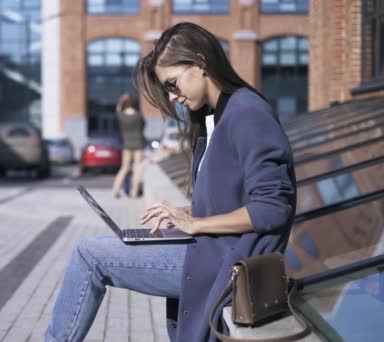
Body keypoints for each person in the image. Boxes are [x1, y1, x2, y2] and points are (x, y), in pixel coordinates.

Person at [45, 22, 296, 342]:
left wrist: (196, 225)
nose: (173, 96)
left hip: (223, 261)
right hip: (207, 249)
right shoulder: (217, 117)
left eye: (173, 84)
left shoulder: (247, 112)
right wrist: (184, 212)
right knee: (93, 250)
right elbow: (232, 197)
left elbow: (274, 208)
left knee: (88, 254)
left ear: (201, 63)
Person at [111, 93, 145, 198]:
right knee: (137, 168)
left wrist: (121, 101)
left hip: (127, 145)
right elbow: (143, 125)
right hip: (138, 144)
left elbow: (117, 110)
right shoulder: (138, 116)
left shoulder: (122, 116)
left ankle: (115, 191)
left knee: (124, 168)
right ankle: (134, 192)